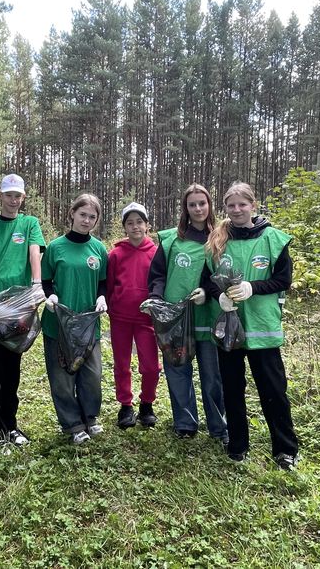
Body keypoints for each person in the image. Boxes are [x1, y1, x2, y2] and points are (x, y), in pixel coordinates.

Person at [203, 181, 298, 469]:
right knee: (232, 388)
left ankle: (284, 450)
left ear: (253, 206)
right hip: (230, 329)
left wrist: (252, 287)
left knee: (273, 390)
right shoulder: (218, 240)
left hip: (262, 327)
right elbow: (208, 280)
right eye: (231, 205)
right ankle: (238, 445)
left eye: (242, 204)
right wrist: (219, 297)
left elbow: (283, 280)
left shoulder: (272, 239)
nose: (236, 210)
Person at [147, 184, 227, 444]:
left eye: (202, 203)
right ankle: (185, 424)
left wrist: (206, 290)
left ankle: (219, 427)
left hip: (208, 316)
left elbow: (223, 273)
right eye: (192, 204)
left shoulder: (221, 237)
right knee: (177, 370)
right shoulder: (171, 239)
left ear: (209, 205)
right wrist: (157, 299)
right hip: (175, 319)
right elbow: (158, 274)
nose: (198, 208)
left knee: (212, 375)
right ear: (185, 208)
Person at [0, 174, 46, 447]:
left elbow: (34, 253)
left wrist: (37, 285)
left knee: (12, 366)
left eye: (18, 196)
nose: (13, 200)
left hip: (20, 306)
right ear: (0, 196)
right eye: (9, 195)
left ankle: (11, 425)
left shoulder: (29, 224)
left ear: (23, 198)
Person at [41, 193, 109, 445]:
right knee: (62, 377)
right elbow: (45, 281)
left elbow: (103, 282)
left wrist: (102, 298)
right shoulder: (55, 247)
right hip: (58, 324)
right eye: (83, 215)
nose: (87, 220)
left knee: (91, 374)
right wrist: (50, 298)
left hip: (88, 324)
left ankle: (90, 417)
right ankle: (72, 424)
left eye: (92, 217)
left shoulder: (98, 249)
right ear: (72, 214)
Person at [106, 202, 160, 429]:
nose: (135, 226)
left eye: (139, 222)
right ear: (124, 227)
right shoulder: (116, 254)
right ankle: (125, 405)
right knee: (122, 364)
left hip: (146, 319)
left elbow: (160, 282)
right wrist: (111, 308)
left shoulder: (157, 253)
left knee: (151, 366)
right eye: (130, 223)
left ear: (147, 225)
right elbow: (109, 285)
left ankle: (146, 404)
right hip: (120, 318)